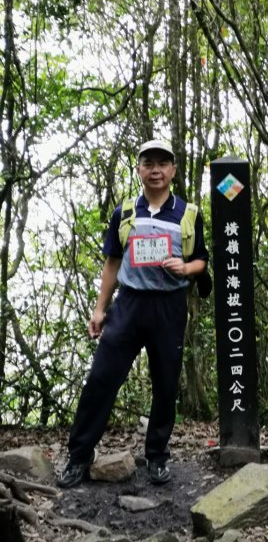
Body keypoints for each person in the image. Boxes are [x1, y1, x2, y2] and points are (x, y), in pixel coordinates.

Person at [57, 139, 209, 488]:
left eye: (162, 164)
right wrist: (99, 309)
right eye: (148, 163)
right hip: (128, 304)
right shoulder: (124, 212)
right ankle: (79, 456)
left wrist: (185, 269)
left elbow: (202, 259)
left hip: (169, 307)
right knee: (101, 379)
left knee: (166, 383)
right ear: (139, 169)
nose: (155, 170)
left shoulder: (188, 213)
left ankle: (157, 456)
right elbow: (112, 263)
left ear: (173, 170)